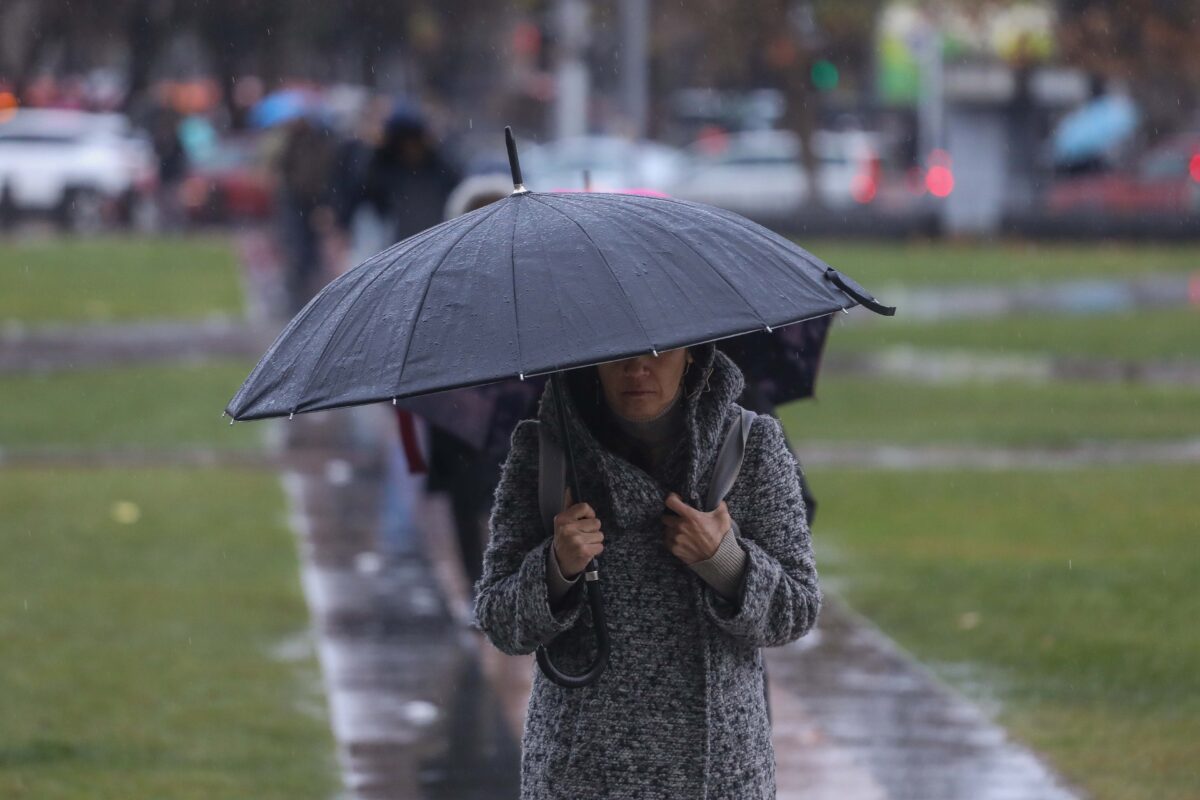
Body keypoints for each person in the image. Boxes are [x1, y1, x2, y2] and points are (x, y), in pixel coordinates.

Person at [473, 341, 821, 799]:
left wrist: (724, 562)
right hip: (579, 773)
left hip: (717, 772)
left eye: (659, 351)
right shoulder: (545, 454)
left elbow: (796, 611)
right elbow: (498, 620)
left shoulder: (750, 445)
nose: (636, 367)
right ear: (591, 359)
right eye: (615, 351)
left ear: (693, 352)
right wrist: (556, 567)